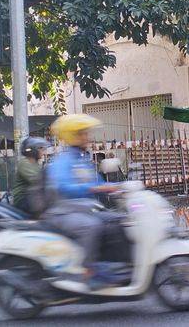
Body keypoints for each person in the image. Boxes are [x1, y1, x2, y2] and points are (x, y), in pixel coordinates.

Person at [43, 114, 120, 288]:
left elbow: (97, 182)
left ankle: (112, 263)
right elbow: (63, 187)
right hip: (62, 211)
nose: (88, 137)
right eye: (83, 134)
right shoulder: (63, 161)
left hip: (82, 209)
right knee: (90, 226)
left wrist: (118, 186)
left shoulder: (82, 159)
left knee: (116, 221)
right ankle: (89, 272)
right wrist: (93, 188)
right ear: (73, 136)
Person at [12, 137, 50, 217]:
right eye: (41, 149)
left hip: (33, 196)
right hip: (23, 199)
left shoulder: (36, 164)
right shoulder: (24, 163)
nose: (43, 152)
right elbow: (36, 180)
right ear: (33, 150)